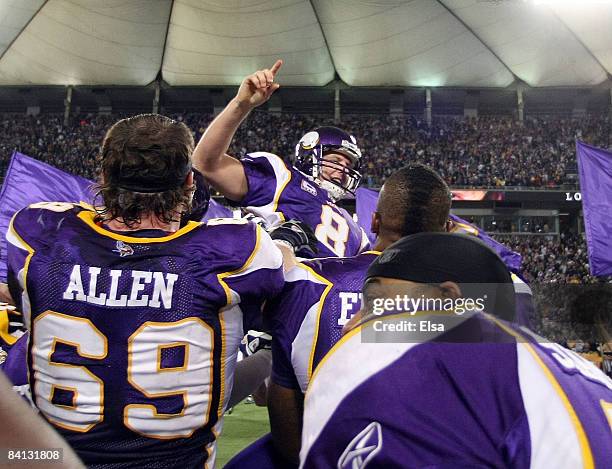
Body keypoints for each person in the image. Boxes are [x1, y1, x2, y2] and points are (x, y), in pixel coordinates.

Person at [6, 114, 286, 468]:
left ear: (104, 177)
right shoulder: (239, 250)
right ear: (189, 182)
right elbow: (282, 271)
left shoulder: (37, 231)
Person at [300, 233, 612, 468]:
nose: (350, 325)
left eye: (375, 301)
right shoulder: (588, 378)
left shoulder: (407, 368)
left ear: (447, 301)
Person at [264, 164, 453, 465]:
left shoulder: (307, 282)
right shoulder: (470, 301)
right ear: (445, 232)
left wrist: (283, 243)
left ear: (375, 222)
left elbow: (283, 414)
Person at [192, 60, 370, 258]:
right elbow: (206, 164)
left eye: (348, 166)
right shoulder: (283, 179)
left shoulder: (358, 233)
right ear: (309, 156)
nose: (343, 171)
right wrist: (241, 105)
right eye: (336, 161)